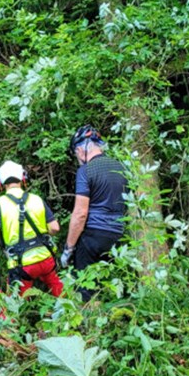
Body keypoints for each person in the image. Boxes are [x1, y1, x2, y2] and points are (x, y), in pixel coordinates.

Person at [60, 125, 128, 302]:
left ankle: (87, 324)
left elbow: (80, 213)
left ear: (81, 149)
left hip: (92, 236)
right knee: (112, 286)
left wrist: (69, 248)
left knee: (85, 287)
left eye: (76, 153)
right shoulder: (122, 168)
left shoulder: (86, 171)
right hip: (118, 235)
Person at [0, 161, 62, 297]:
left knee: (16, 307)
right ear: (23, 179)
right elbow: (55, 228)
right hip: (46, 259)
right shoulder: (36, 199)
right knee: (60, 292)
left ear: (0, 183)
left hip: (22, 264)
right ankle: (76, 312)